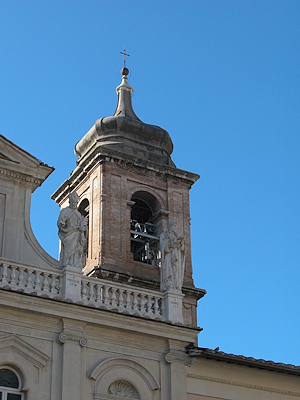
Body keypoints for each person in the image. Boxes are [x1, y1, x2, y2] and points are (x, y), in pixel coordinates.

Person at [57, 191, 88, 269]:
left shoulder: (78, 214)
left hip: (77, 235)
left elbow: (83, 227)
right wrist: (61, 224)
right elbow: (61, 221)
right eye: (73, 203)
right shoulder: (65, 211)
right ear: (70, 202)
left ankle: (74, 263)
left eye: (75, 203)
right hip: (68, 234)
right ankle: (67, 263)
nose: (74, 204)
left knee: (75, 251)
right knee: (68, 251)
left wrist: (83, 228)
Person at [160, 220, 185, 291]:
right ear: (170, 226)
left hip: (176, 255)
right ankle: (168, 282)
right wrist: (171, 243)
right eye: (174, 226)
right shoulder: (164, 234)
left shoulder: (176, 235)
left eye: (176, 227)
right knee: (169, 269)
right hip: (169, 255)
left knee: (176, 270)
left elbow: (182, 249)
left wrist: (181, 243)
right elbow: (162, 245)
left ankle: (175, 285)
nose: (175, 228)